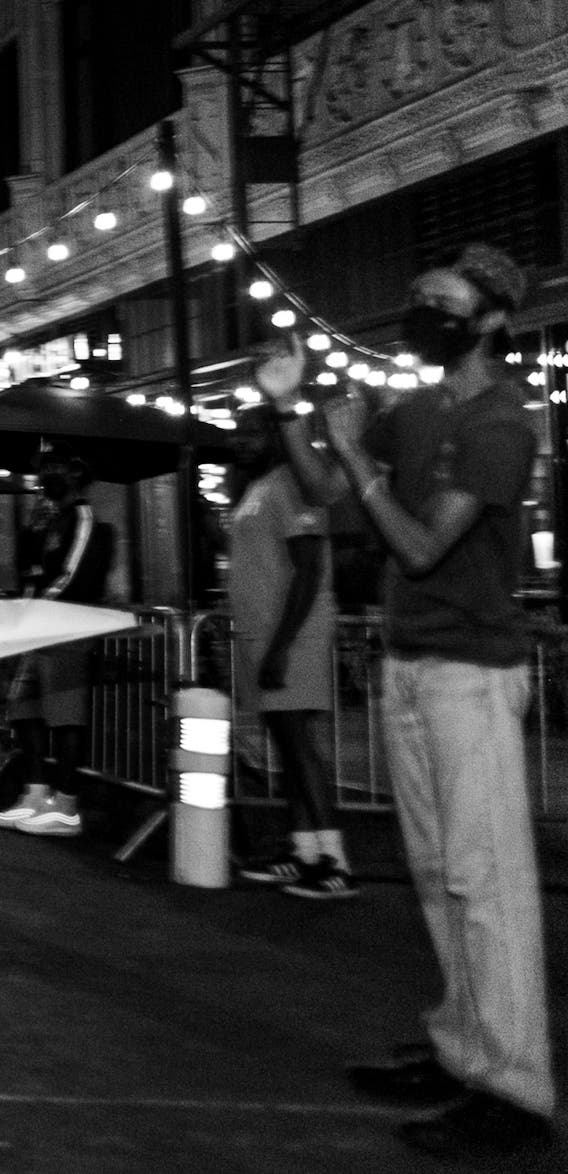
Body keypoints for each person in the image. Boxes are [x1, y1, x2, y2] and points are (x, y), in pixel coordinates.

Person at [261, 243, 553, 1156]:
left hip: (472, 670)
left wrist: (357, 454)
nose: (421, 312)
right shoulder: (414, 408)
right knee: (437, 874)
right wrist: (287, 408)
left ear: (491, 317)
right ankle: (463, 1044)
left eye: (442, 301)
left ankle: (516, 1089)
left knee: (487, 882)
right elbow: (319, 490)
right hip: (411, 664)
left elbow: (423, 548)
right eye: (416, 296)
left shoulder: (505, 420)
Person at [223, 405, 352, 899]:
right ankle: (303, 852)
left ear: (279, 437)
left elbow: (309, 567)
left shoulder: (294, 481)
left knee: (300, 749)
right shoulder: (257, 487)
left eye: (253, 432)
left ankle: (336, 863)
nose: (241, 440)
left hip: (291, 637)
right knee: (289, 751)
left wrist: (281, 646)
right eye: (238, 432)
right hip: (264, 637)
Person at [0, 453, 114, 839]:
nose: (45, 476)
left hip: (65, 629)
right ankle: (36, 793)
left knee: (64, 716)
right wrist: (30, 532)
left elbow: (72, 572)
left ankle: (67, 804)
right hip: (37, 629)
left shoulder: (83, 518)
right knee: (24, 710)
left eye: (54, 468)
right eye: (42, 469)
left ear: (76, 473)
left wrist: (40, 607)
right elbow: (29, 570)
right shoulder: (50, 520)